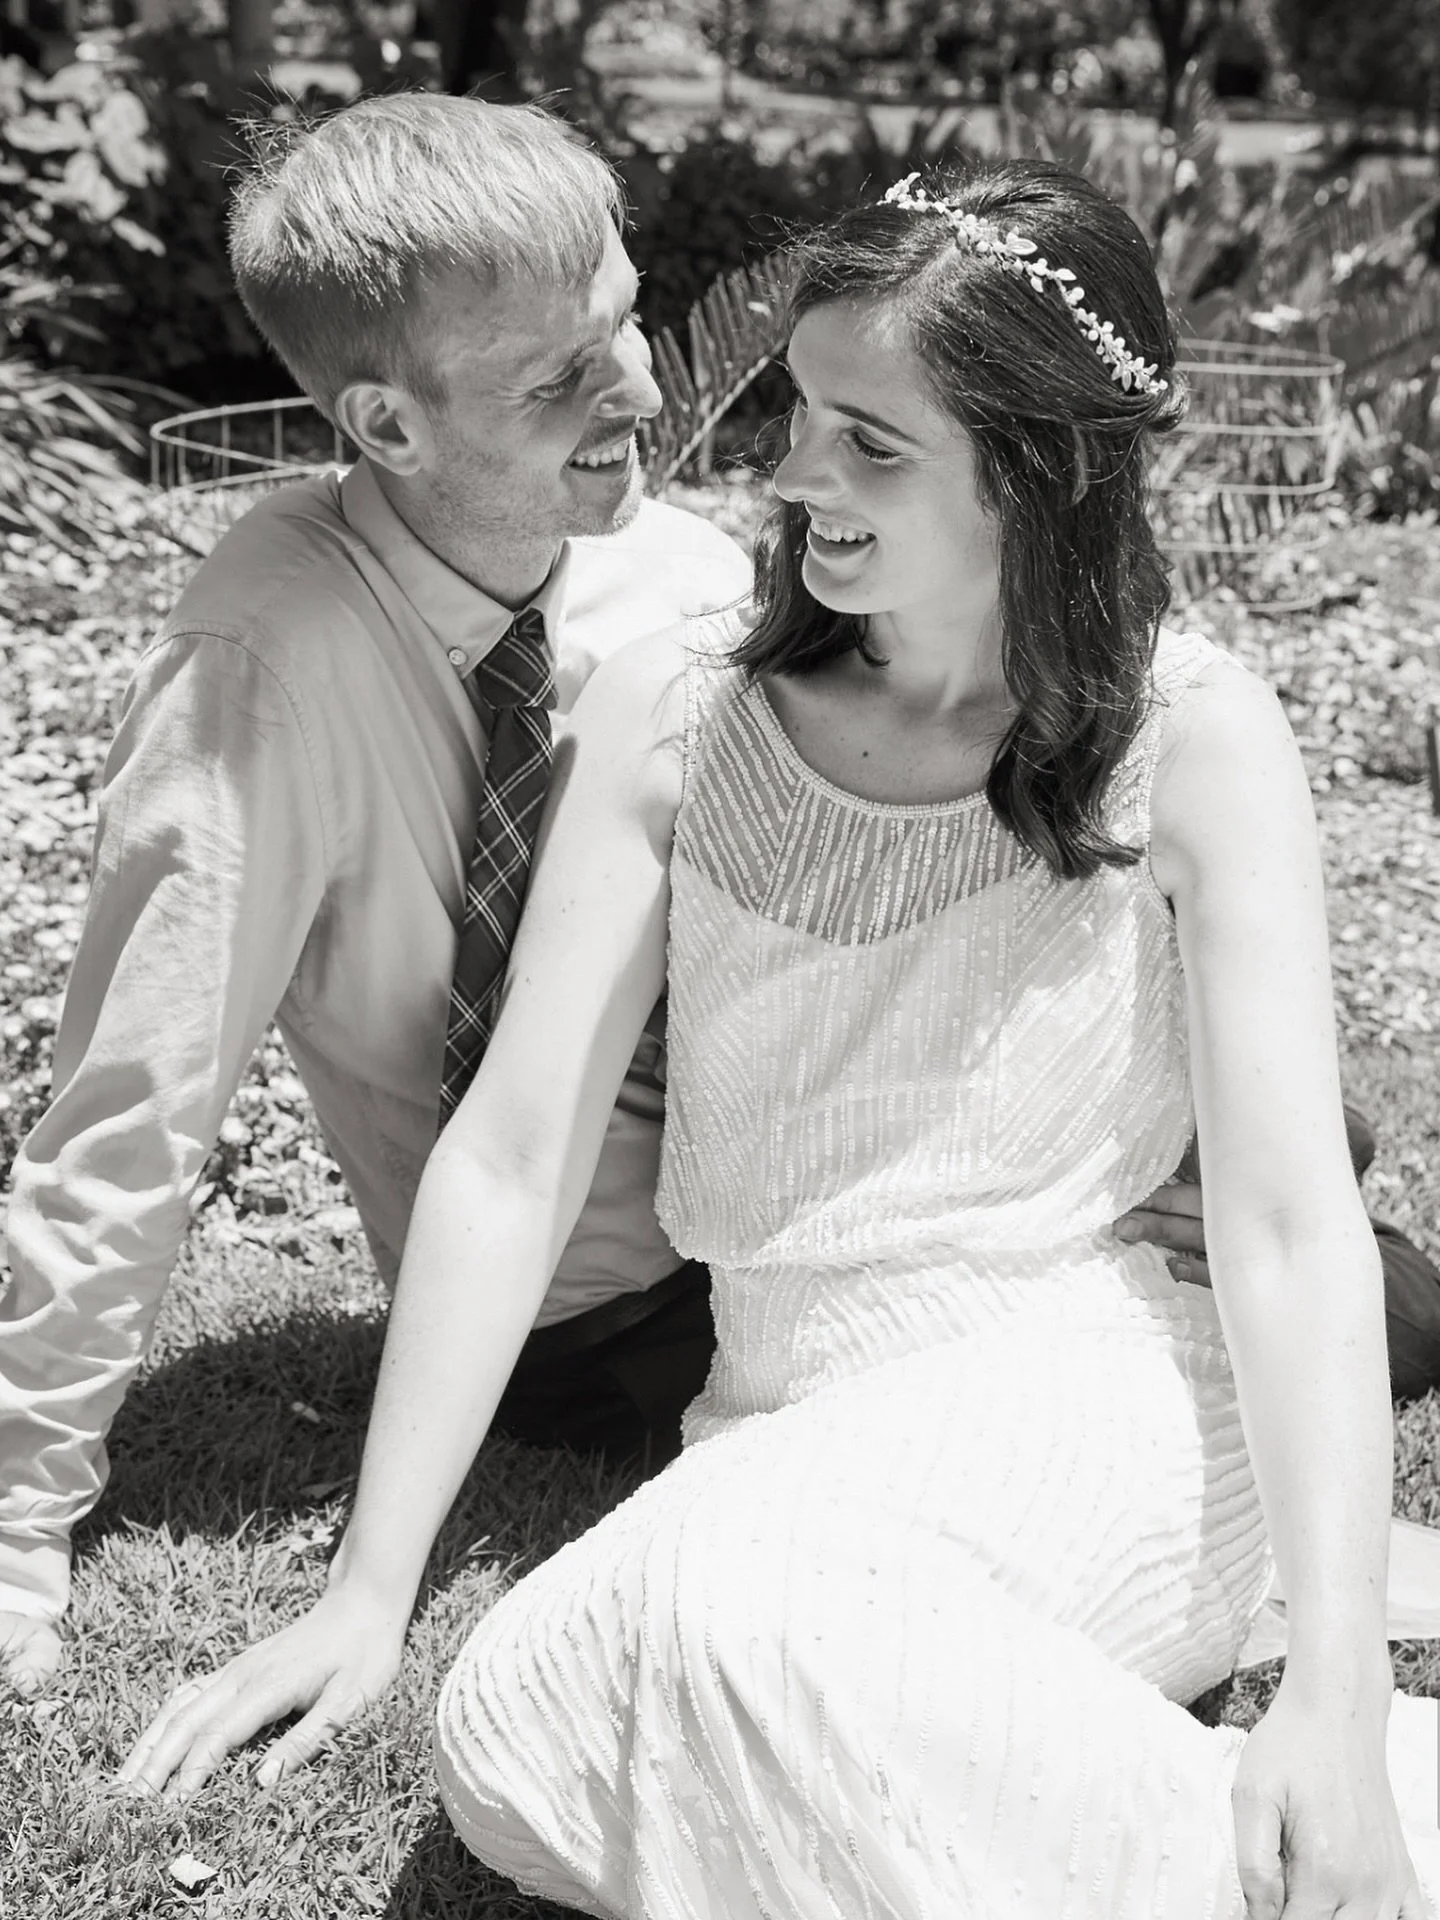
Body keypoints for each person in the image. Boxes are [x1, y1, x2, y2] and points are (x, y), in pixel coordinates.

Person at [123, 159, 1440, 1915]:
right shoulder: (678, 715)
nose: (795, 473)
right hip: (773, 1428)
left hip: (1099, 1397)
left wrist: (1338, 1693)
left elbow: (1287, 1232)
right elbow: (510, 1157)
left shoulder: (1195, 739)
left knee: (702, 1640)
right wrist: (372, 1589)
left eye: (871, 443)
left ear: (1040, 469)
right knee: (510, 1732)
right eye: (803, 413)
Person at [0, 93, 751, 1696]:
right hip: (591, 1325)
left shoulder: (686, 580)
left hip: (796, 1216)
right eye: (555, 379)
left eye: (625, 322)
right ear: (387, 428)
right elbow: (135, 1107)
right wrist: (14, 1524)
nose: (636, 391)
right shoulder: (260, 674)